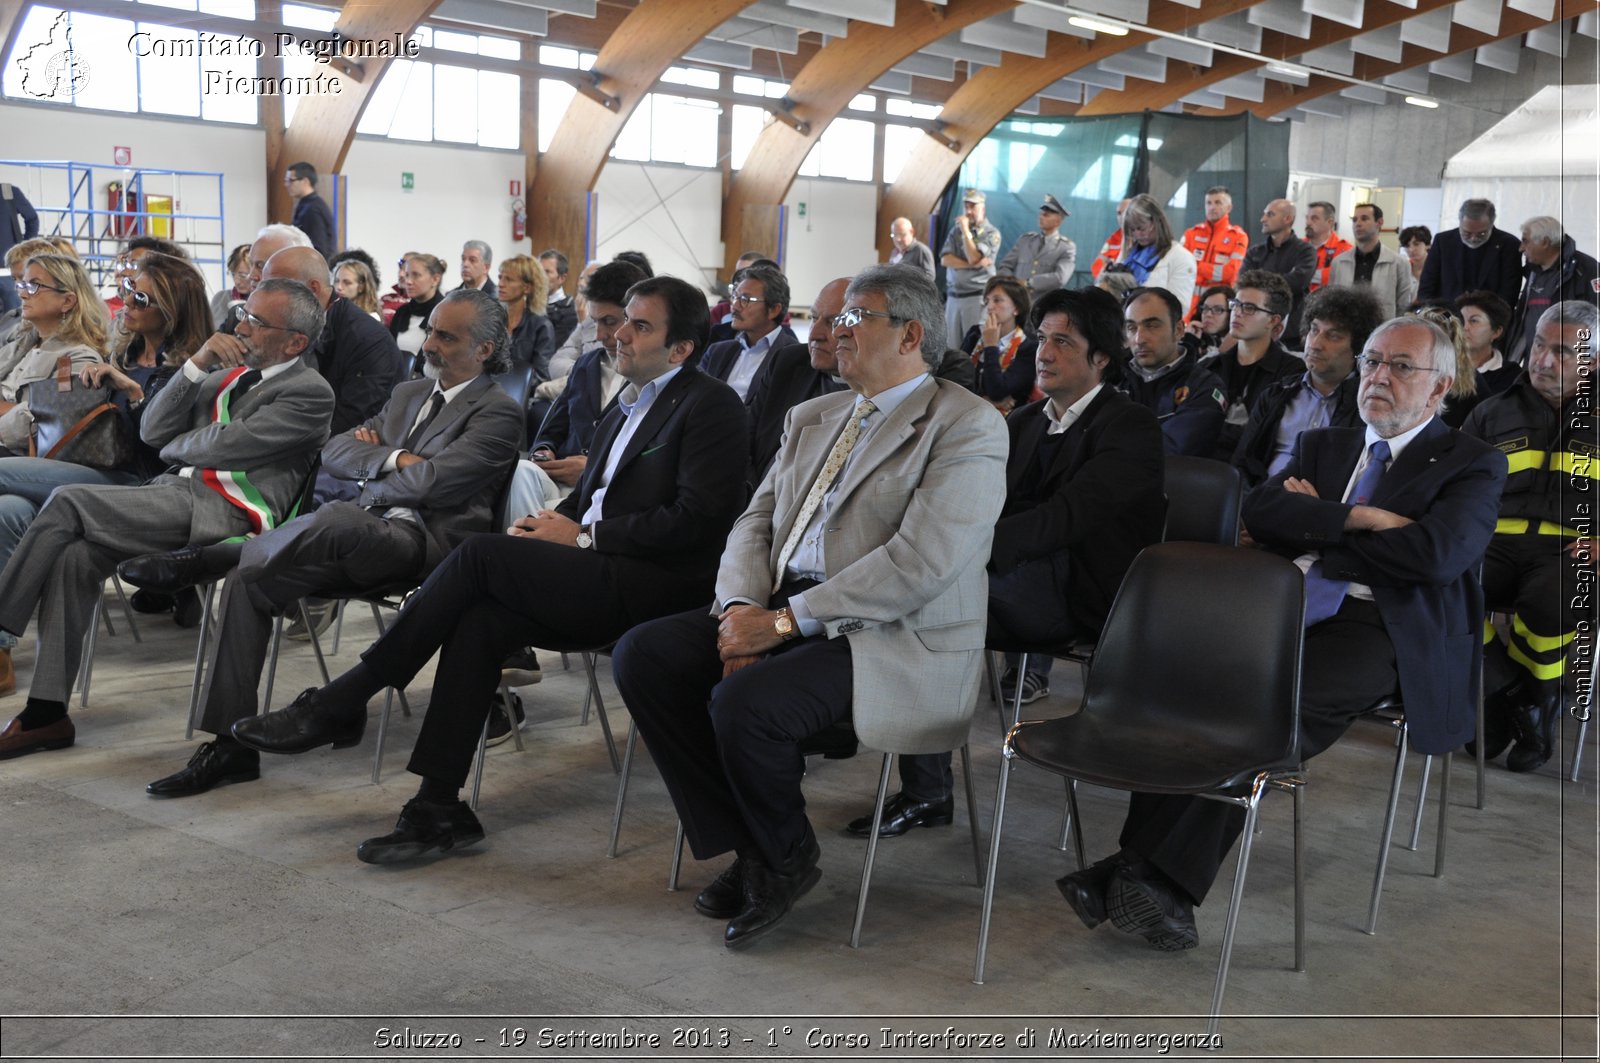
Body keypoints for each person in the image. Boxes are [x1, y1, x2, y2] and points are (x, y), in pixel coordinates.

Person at [231, 275, 750, 862]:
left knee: (477, 554)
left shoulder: (710, 406)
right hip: (597, 567)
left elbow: (700, 522)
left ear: (680, 348)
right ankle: (437, 807)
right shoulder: (627, 404)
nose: (620, 334)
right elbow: (593, 497)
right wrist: (551, 528)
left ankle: (340, 701)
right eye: (622, 319)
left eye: (640, 325)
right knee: (480, 618)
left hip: (656, 585)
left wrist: (582, 535)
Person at [1057, 314, 1506, 952]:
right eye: (1373, 361)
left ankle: (1147, 875)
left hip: (1383, 624)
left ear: (1438, 389)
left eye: (1401, 367)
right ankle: (1143, 879)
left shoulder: (1474, 463)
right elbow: (1262, 510)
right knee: (1186, 693)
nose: (1378, 376)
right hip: (1280, 606)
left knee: (1269, 716)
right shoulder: (1331, 443)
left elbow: (1435, 556)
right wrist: (1362, 518)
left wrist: (1320, 527)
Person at [609, 264, 1008, 949]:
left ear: (910, 334)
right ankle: (756, 844)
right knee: (645, 656)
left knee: (747, 704)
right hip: (784, 609)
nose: (831, 333)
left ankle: (786, 855)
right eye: (833, 318)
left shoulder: (964, 425)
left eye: (854, 318)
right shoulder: (816, 414)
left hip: (893, 633)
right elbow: (753, 523)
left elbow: (921, 564)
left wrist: (783, 623)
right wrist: (739, 607)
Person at [129, 288, 524, 797]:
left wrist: (376, 467)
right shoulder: (408, 395)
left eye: (446, 336)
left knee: (336, 514)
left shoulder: (498, 412)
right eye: (430, 331)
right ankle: (230, 746)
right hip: (353, 535)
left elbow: (434, 486)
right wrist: (396, 460)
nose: (429, 344)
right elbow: (335, 451)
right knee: (246, 582)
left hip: (426, 549)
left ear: (485, 350)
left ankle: (211, 556)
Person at [848, 286, 1165, 837]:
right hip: (1010, 577)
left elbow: (1065, 519)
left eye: (1063, 342)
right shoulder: (1023, 423)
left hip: (1084, 594)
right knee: (916, 592)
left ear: (1102, 359)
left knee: (927, 601)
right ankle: (917, 778)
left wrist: (957, 554)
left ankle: (926, 790)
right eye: (1043, 338)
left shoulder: (1129, 426)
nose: (1044, 352)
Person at [0, 278, 335, 760]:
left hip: (229, 513)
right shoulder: (226, 377)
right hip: (175, 495)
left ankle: (1, 628)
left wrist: (183, 445)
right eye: (243, 311)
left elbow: (224, 447)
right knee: (75, 554)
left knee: (69, 501)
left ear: (295, 342)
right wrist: (197, 365)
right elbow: (154, 430)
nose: (240, 324)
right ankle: (46, 713)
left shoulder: (310, 392)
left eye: (257, 321)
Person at [1463, 300, 1598, 773]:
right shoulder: (1490, 411)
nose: (1543, 360)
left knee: (1551, 603)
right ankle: (1514, 696)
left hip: (1574, 549)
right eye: (1539, 345)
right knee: (1444, 584)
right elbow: (1456, 487)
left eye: (1561, 352)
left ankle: (1518, 702)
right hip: (1492, 542)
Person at [510, 260, 646, 520]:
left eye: (610, 321)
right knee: (522, 470)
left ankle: (529, 545)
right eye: (595, 323)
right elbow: (551, 428)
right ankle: (524, 545)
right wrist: (543, 451)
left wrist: (593, 470)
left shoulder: (647, 376)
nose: (603, 334)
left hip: (607, 488)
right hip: (560, 477)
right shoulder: (586, 364)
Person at [1231, 285, 1382, 486]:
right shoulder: (1276, 394)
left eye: (1333, 335)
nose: (1315, 343)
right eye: (1314, 330)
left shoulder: (1367, 406)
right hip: (1259, 503)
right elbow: (1242, 464)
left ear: (1359, 346)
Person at [0, 253, 108, 458]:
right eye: (22, 285)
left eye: (34, 286)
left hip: (22, 456)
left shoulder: (79, 357)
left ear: (67, 301)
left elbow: (52, 422)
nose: (23, 294)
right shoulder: (19, 347)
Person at [744, 278, 850, 483]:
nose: (814, 334)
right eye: (814, 318)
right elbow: (745, 441)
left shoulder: (877, 391)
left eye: (833, 322)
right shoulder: (788, 363)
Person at [1119, 286, 1226, 457]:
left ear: (1178, 330)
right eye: (1132, 328)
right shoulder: (1110, 377)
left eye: (1152, 326)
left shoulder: (1204, 387)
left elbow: (1172, 451)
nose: (1139, 339)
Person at [1506, 216, 1600, 364]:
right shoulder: (1533, 271)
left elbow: (1596, 318)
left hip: (1567, 364)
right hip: (1533, 361)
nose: (1521, 248)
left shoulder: (1587, 269)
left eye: (1525, 241)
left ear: (1545, 242)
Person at [700, 263, 798, 402]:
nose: (734, 305)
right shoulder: (717, 352)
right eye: (735, 297)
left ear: (774, 309)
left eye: (745, 299)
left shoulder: (792, 357)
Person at [1416, 198, 1523, 308]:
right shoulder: (1443, 241)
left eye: (1481, 234)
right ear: (1460, 222)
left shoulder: (1509, 245)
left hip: (1490, 317)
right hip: (1447, 316)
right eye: (1466, 233)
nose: (1473, 238)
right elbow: (1427, 286)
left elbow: (1509, 292)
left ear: (1491, 224)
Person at [1239, 198, 1315, 347]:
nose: (1263, 219)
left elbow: (1297, 282)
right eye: (1264, 214)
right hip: (1255, 326)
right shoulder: (1255, 252)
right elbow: (1243, 282)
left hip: (1291, 333)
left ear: (1287, 219)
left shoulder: (1306, 251)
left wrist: (1259, 282)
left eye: (1270, 214)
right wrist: (1280, 281)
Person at [1327, 203, 1416, 320]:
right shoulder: (1339, 262)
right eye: (1354, 220)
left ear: (1379, 222)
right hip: (1346, 329)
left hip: (1382, 331)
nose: (1358, 224)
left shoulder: (1398, 263)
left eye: (1364, 218)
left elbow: (1403, 307)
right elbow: (1332, 303)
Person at [963, 274, 1037, 415]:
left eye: (997, 300)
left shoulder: (1029, 347)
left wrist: (991, 346)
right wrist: (986, 401)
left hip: (1008, 423)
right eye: (987, 300)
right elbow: (955, 382)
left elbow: (997, 391)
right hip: (966, 415)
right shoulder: (975, 334)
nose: (990, 307)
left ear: (1016, 308)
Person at [1114, 195, 1197, 311]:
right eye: (1132, 230)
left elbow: (1179, 307)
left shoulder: (1181, 256)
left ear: (1157, 222)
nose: (1137, 234)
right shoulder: (1127, 254)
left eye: (1141, 228)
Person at [941, 188, 1003, 341]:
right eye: (966, 206)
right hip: (953, 297)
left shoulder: (991, 233)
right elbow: (945, 260)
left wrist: (966, 232)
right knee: (951, 347)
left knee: (973, 345)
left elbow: (973, 257)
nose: (968, 211)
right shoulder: (955, 232)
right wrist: (972, 265)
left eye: (973, 206)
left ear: (982, 208)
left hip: (976, 298)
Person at [1180, 186, 1248, 314]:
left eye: (1218, 202)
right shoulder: (1191, 234)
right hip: (1189, 304)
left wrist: (1195, 265)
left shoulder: (1238, 236)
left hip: (1219, 307)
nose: (1212, 207)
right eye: (1208, 203)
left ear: (1229, 208)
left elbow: (1229, 273)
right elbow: (1180, 266)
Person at [997, 194, 1076, 295]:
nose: (1040, 217)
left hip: (1044, 304)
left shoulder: (1066, 247)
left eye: (1046, 215)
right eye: (1041, 214)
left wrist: (1029, 283)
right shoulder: (1025, 241)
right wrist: (1010, 283)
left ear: (1057, 221)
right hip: (1018, 300)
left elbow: (1061, 277)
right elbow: (1005, 266)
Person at [498, 253, 556, 381]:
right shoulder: (493, 319)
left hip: (522, 395)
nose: (501, 284)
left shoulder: (541, 326)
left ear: (527, 288)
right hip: (489, 391)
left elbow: (541, 374)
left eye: (509, 279)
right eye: (500, 277)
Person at [1453, 290, 1519, 403]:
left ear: (1496, 332)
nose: (1464, 327)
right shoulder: (1443, 364)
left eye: (1474, 321)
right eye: (1461, 320)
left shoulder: (1511, 375)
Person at [390, 253, 446, 366]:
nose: (409, 281)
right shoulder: (402, 312)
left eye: (416, 275)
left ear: (435, 279)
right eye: (407, 275)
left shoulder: (445, 314)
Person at [0, 182, 40, 314]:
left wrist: (24, 248)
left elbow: (32, 219)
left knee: (15, 320)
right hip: (10, 272)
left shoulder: (8, 192)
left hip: (9, 271)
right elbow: (32, 219)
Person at [284, 162, 335, 261]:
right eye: (286, 180)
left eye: (291, 180)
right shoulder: (307, 204)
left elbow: (318, 249)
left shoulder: (312, 208)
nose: (286, 184)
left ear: (305, 181)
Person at [1304, 200, 1351, 294]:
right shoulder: (1298, 246)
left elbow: (1339, 278)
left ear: (1330, 222)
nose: (1308, 222)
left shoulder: (1345, 249)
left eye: (1314, 218)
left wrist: (1300, 274)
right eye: (1307, 218)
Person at [1186, 284, 1236, 360]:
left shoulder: (1238, 346)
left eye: (1218, 309)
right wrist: (1189, 343)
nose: (1208, 314)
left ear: (1231, 314)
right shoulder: (1191, 338)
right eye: (1205, 308)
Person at [539, 249, 577, 347]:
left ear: (562, 278)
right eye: (539, 271)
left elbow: (553, 348)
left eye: (547, 272)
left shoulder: (570, 311)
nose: (540, 276)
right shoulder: (527, 304)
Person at [209, 243, 254, 326]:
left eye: (243, 275)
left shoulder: (262, 304)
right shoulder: (220, 299)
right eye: (233, 274)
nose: (237, 281)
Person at [1089, 197, 1133, 278]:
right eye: (1119, 213)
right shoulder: (1114, 239)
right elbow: (1096, 267)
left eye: (1126, 212)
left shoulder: (1143, 238)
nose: (1121, 217)